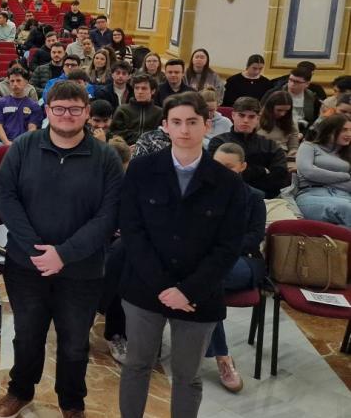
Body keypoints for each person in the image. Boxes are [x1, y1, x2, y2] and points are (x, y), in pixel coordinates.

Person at [0, 81, 122, 418]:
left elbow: (108, 216)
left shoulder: (105, 158)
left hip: (82, 270)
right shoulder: (23, 147)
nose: (67, 115)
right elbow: (7, 198)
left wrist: (63, 253)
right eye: (60, 108)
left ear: (87, 113)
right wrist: (37, 250)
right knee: (27, 336)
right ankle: (20, 390)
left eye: (75, 109)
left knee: (74, 342)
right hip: (26, 265)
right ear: (47, 111)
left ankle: (72, 402)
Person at [118, 92, 248, 418]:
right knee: (136, 365)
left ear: (207, 125)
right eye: (177, 122)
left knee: (188, 376)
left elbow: (228, 246)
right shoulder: (142, 170)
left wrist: (187, 290)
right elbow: (133, 232)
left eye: (192, 122)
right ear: (165, 126)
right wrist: (164, 287)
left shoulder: (229, 183)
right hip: (146, 286)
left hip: (198, 293)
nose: (185, 130)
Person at [205, 143, 267, 393]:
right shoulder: (202, 192)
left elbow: (253, 237)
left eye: (229, 167)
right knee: (207, 281)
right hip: (210, 262)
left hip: (244, 260)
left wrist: (222, 248)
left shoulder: (254, 197)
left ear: (242, 167)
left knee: (206, 280)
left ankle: (222, 357)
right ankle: (221, 355)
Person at [208, 97, 290, 198]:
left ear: (258, 118)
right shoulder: (218, 142)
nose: (246, 120)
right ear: (233, 115)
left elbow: (281, 178)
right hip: (227, 196)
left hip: (267, 199)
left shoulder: (270, 145)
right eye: (241, 115)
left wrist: (244, 175)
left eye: (251, 117)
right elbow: (218, 174)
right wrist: (261, 171)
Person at [294, 115, 351, 227]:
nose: (349, 134)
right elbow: (308, 172)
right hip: (312, 195)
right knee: (345, 208)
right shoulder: (309, 147)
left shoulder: (348, 154)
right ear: (329, 130)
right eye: (344, 130)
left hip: (344, 196)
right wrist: (345, 176)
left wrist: (320, 177)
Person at [0, 67, 43, 149]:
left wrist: (20, 145)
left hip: (26, 143)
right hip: (2, 142)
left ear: (26, 82)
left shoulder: (34, 106)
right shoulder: (0, 103)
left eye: (18, 80)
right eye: (12, 81)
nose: (15, 84)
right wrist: (7, 142)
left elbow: (32, 128)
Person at [112, 74, 163, 145]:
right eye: (136, 88)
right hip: (126, 149)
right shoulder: (122, 110)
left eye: (144, 88)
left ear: (153, 91)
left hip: (152, 151)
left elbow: (162, 135)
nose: (140, 92)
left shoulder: (160, 113)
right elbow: (116, 132)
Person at [258, 90, 300, 156]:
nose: (283, 114)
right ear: (270, 107)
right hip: (261, 153)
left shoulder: (291, 121)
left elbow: (293, 143)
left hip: (283, 154)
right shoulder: (257, 119)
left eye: (286, 111)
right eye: (279, 110)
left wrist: (293, 151)